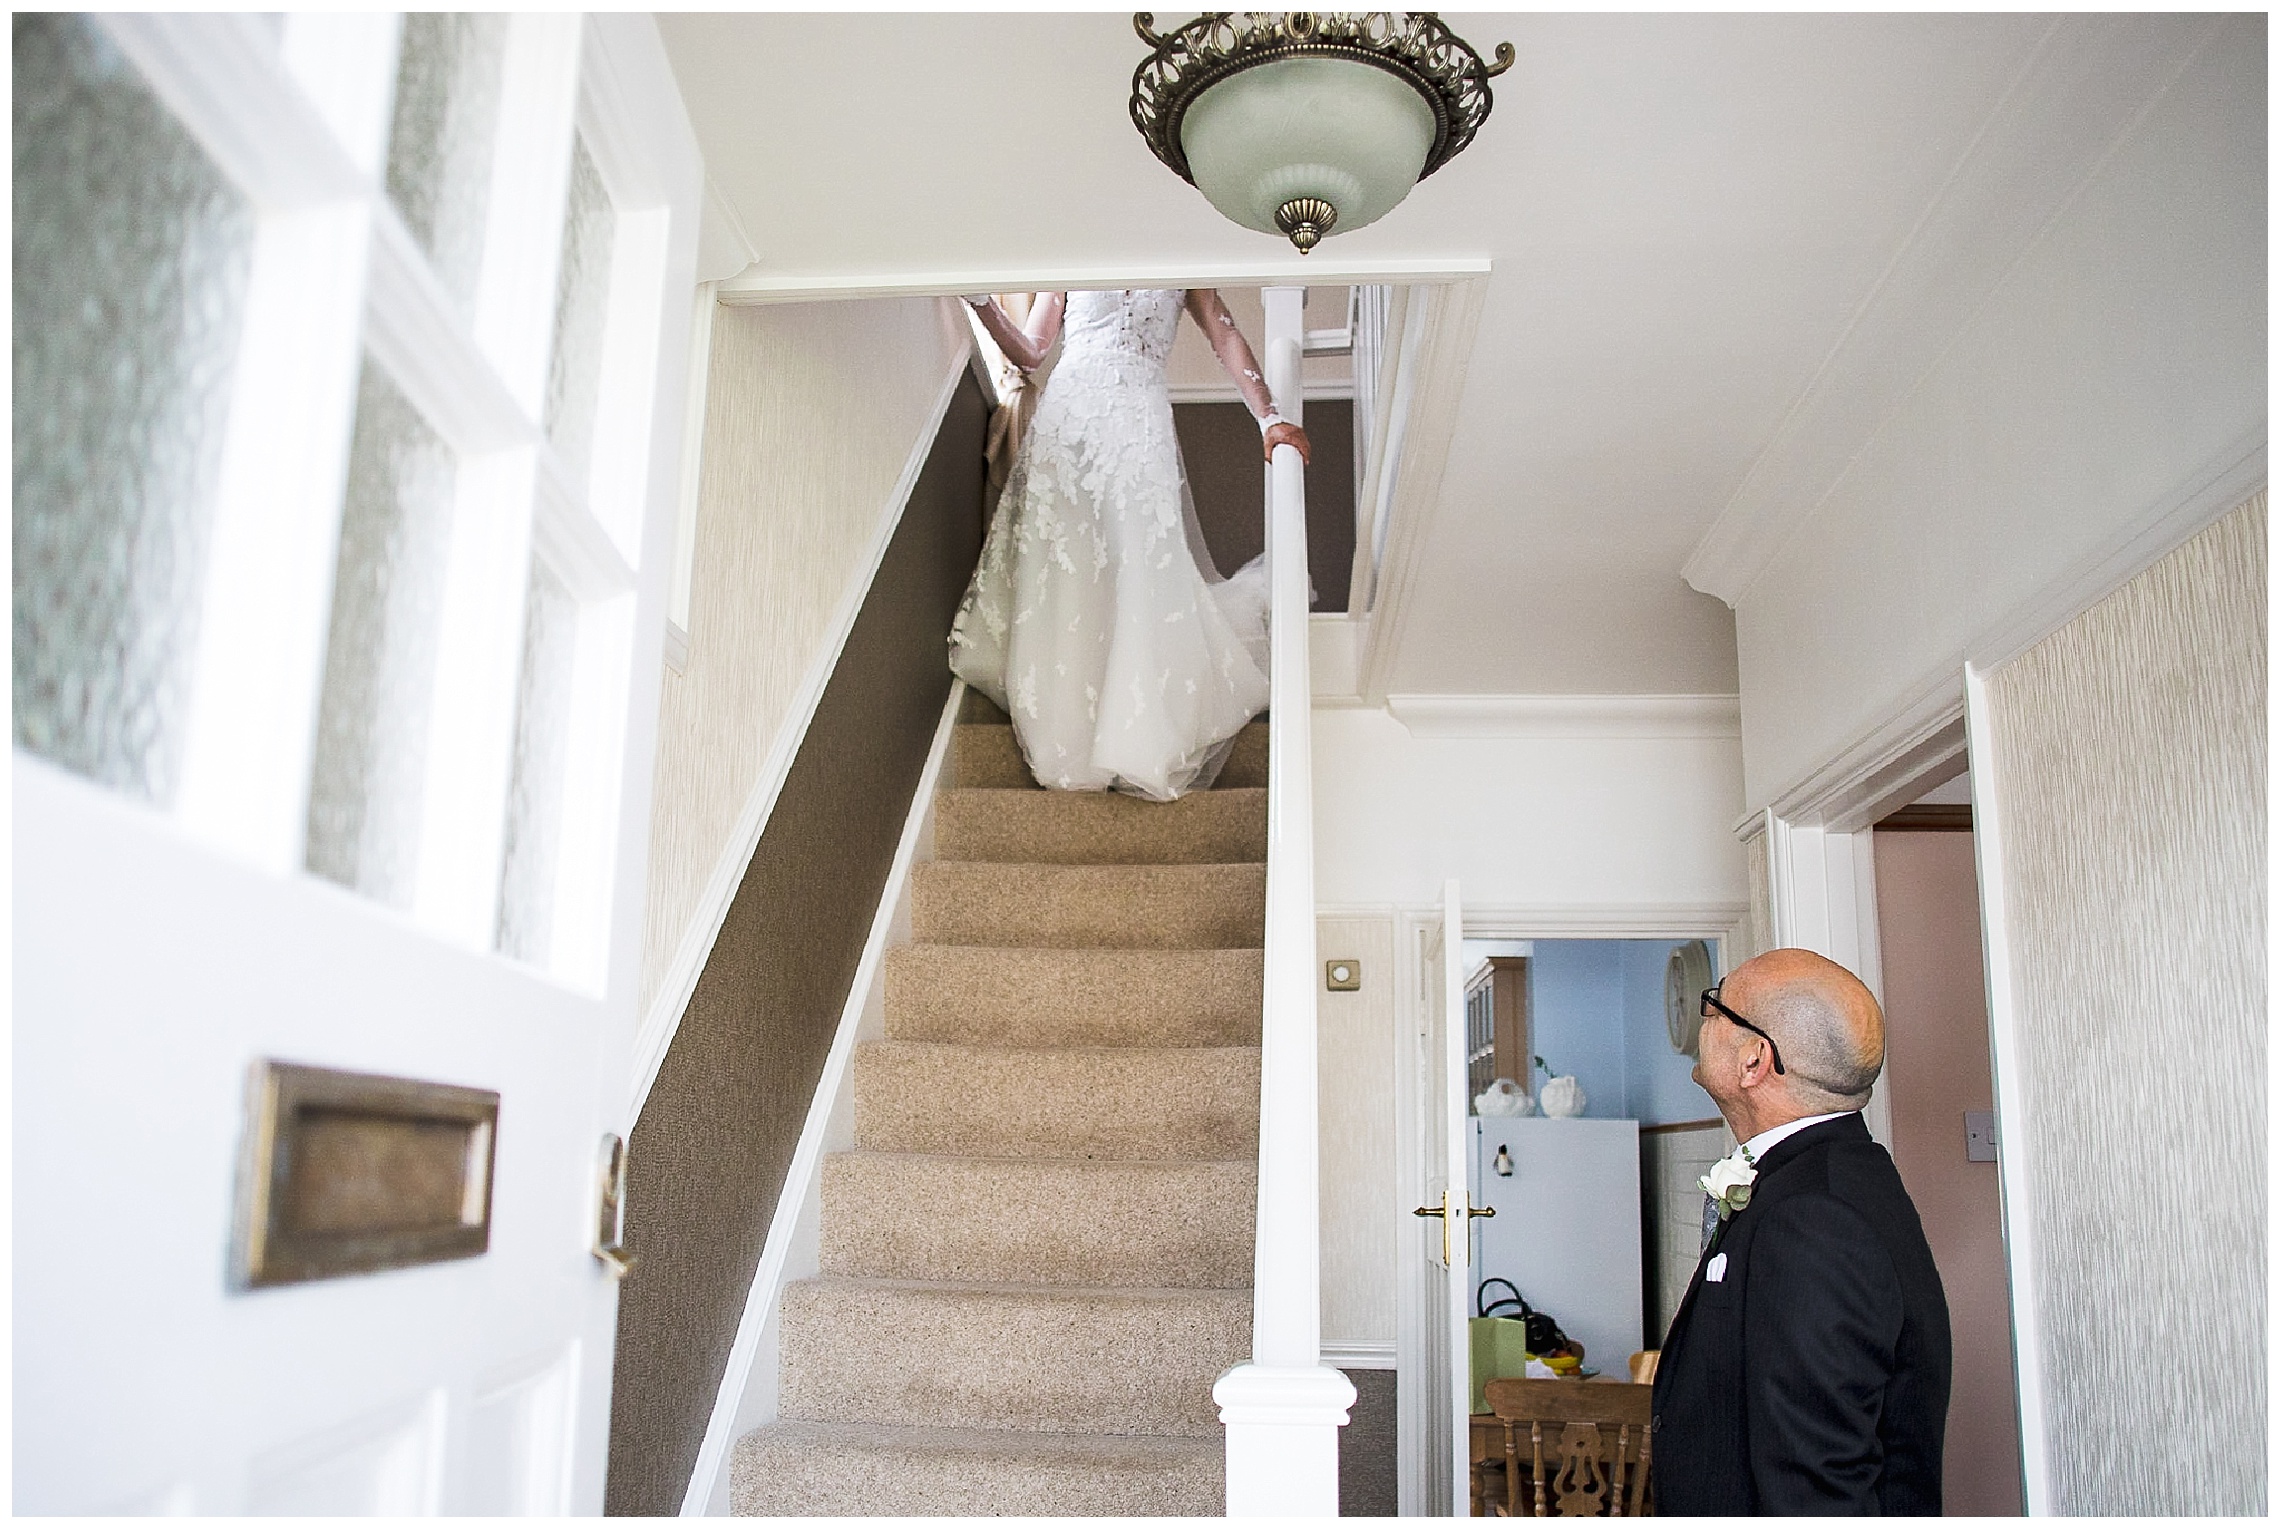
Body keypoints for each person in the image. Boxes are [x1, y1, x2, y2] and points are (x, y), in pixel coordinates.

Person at [949, 289, 1311, 800]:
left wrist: (1268, 416)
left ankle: (1133, 733)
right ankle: (1070, 729)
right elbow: (1032, 351)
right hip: (1069, 420)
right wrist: (983, 302)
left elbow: (1224, 333)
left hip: (1139, 419)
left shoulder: (1178, 262)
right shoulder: (1075, 258)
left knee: (1141, 567)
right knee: (1071, 569)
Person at [1652, 947, 1952, 1514]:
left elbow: (1819, 1474)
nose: (1703, 1018)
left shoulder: (1815, 1217)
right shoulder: (1826, 1178)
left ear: (1754, 1060)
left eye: (1714, 1006)